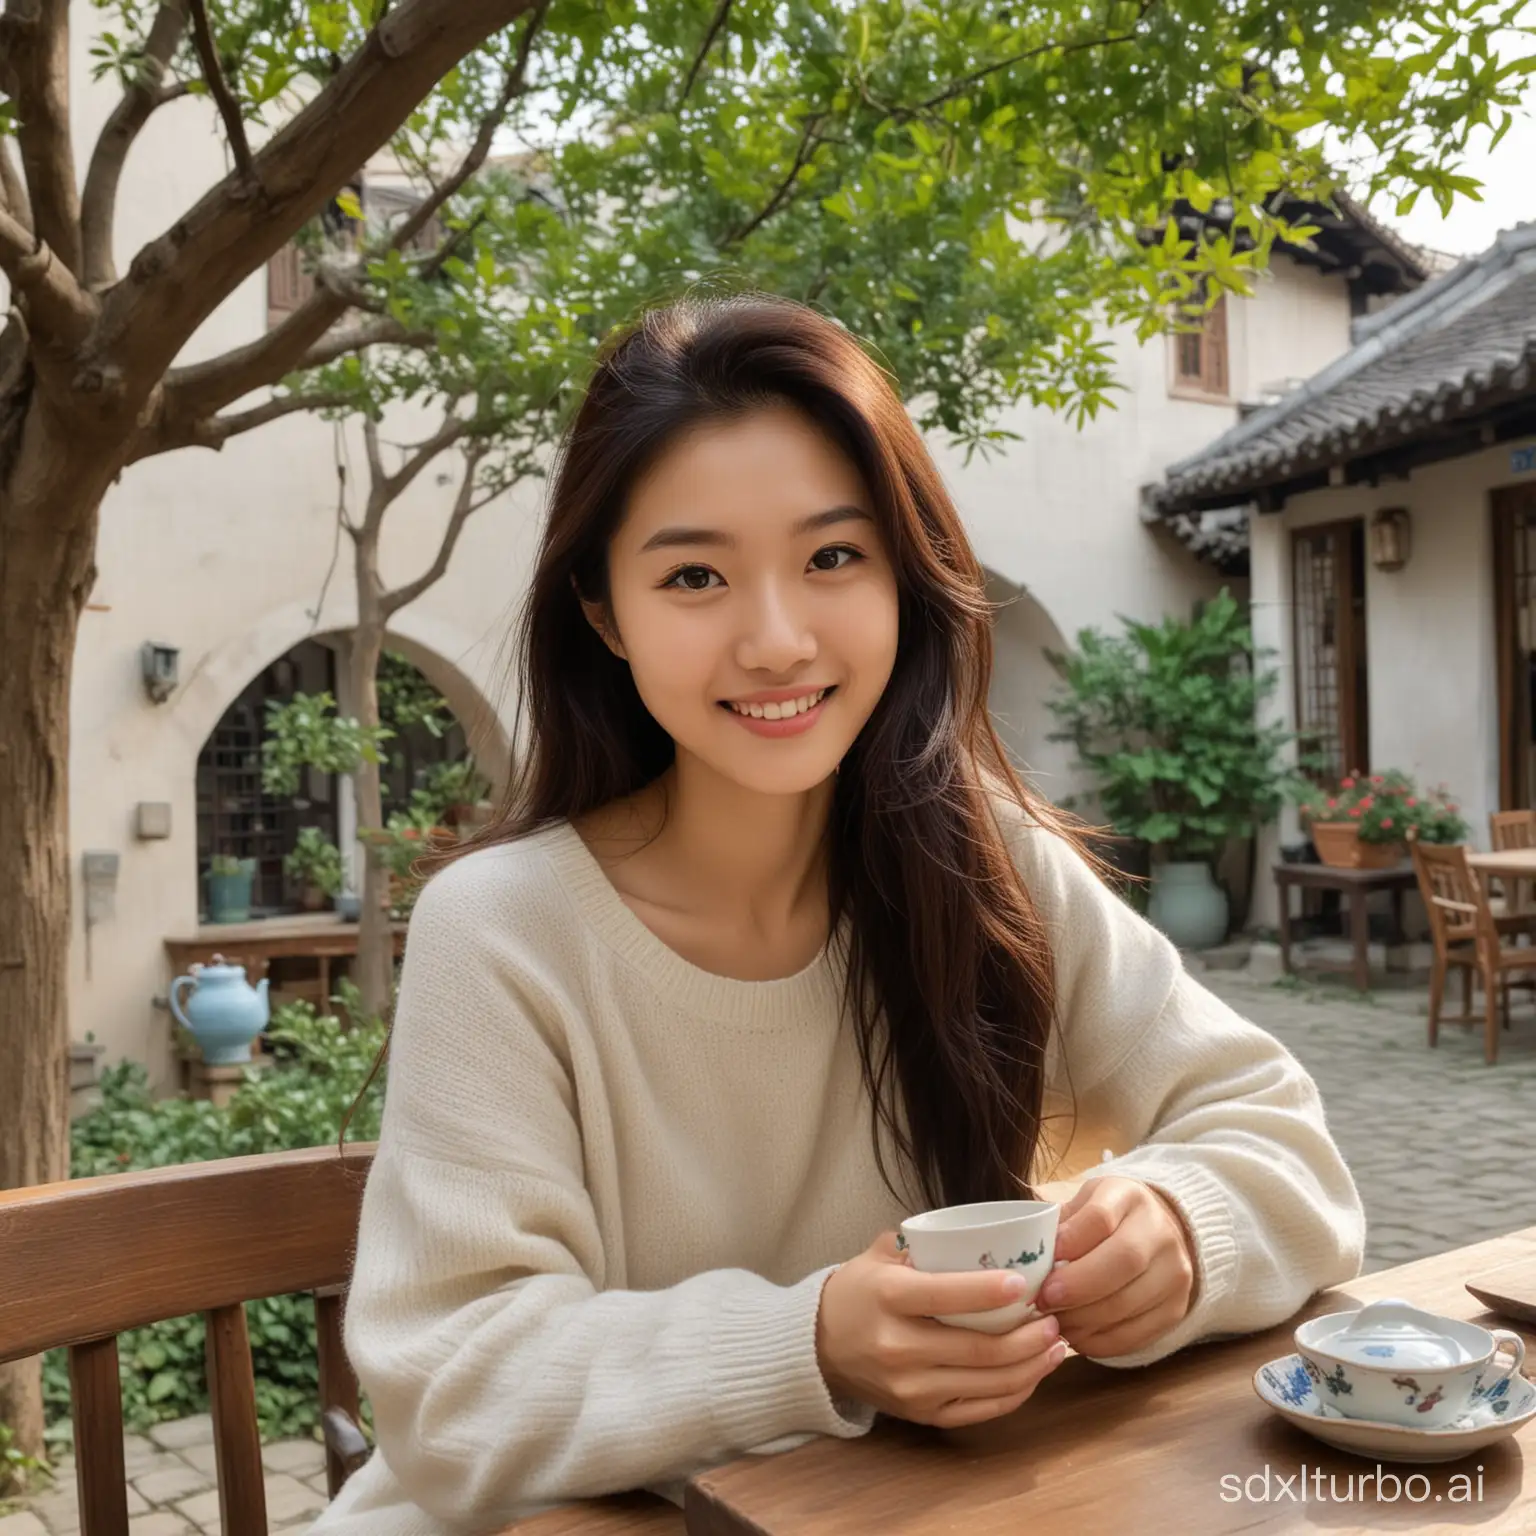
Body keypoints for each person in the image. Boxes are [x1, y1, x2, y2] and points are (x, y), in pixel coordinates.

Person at [308, 294, 1363, 1536]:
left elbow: (1285, 1144)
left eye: (832, 558)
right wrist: (810, 1343)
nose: (776, 638)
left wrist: (1188, 1223)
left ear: (904, 578)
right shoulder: (504, 929)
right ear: (604, 613)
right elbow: (450, 1384)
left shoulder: (984, 860)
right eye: (695, 574)